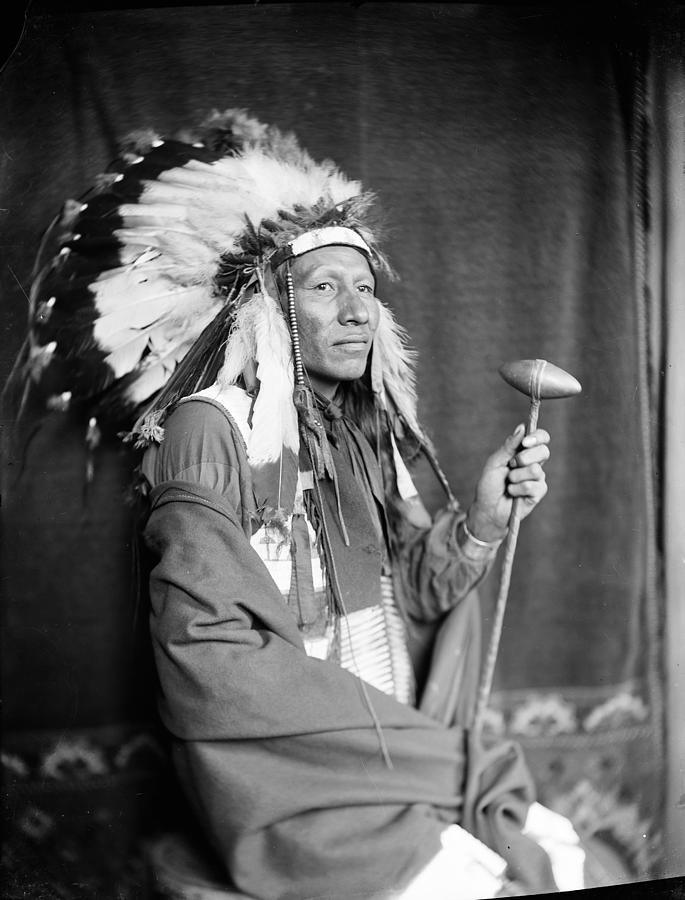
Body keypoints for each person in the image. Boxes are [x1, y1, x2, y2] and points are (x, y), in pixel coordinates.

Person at [23, 110, 588, 898]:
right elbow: (208, 661)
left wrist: (485, 522)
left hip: (386, 754)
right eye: (326, 288)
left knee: (551, 860)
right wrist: (412, 748)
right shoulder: (209, 429)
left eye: (365, 289)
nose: (359, 310)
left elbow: (411, 600)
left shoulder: (364, 430)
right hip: (287, 777)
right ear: (268, 305)